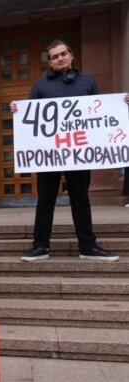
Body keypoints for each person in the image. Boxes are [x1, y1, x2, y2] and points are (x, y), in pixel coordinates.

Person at [11, 40, 129, 262]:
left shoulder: (88, 82)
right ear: (50, 62)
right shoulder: (39, 86)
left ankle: (88, 246)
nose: (60, 58)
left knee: (80, 200)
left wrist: (121, 104)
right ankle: (40, 247)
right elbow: (30, 120)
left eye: (63, 54)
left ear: (72, 55)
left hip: (79, 153)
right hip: (49, 156)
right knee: (45, 200)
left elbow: (101, 114)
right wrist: (17, 109)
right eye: (55, 56)